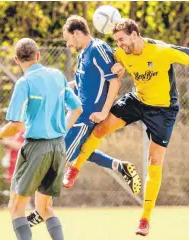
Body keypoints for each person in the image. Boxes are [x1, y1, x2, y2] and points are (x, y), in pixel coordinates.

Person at [67, 18, 189, 236]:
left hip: (163, 110)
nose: (119, 44)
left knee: (154, 161)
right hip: (137, 100)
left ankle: (145, 219)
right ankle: (74, 168)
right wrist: (117, 67)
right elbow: (109, 70)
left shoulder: (162, 51)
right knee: (100, 128)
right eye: (116, 41)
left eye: (122, 39)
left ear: (134, 34)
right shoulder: (121, 53)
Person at [25, 15, 142, 227]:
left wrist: (104, 112)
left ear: (77, 33)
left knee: (56, 161)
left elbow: (114, 83)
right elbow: (79, 85)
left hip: (86, 117)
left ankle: (41, 210)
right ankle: (120, 166)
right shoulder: (84, 55)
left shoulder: (98, 49)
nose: (68, 44)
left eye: (68, 38)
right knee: (80, 151)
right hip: (77, 114)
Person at [0, 38, 82, 240]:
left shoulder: (24, 83)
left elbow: (17, 126)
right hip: (58, 147)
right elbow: (77, 109)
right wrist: (59, 131)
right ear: (38, 55)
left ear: (15, 60)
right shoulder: (57, 75)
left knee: (15, 206)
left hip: (36, 148)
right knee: (44, 207)